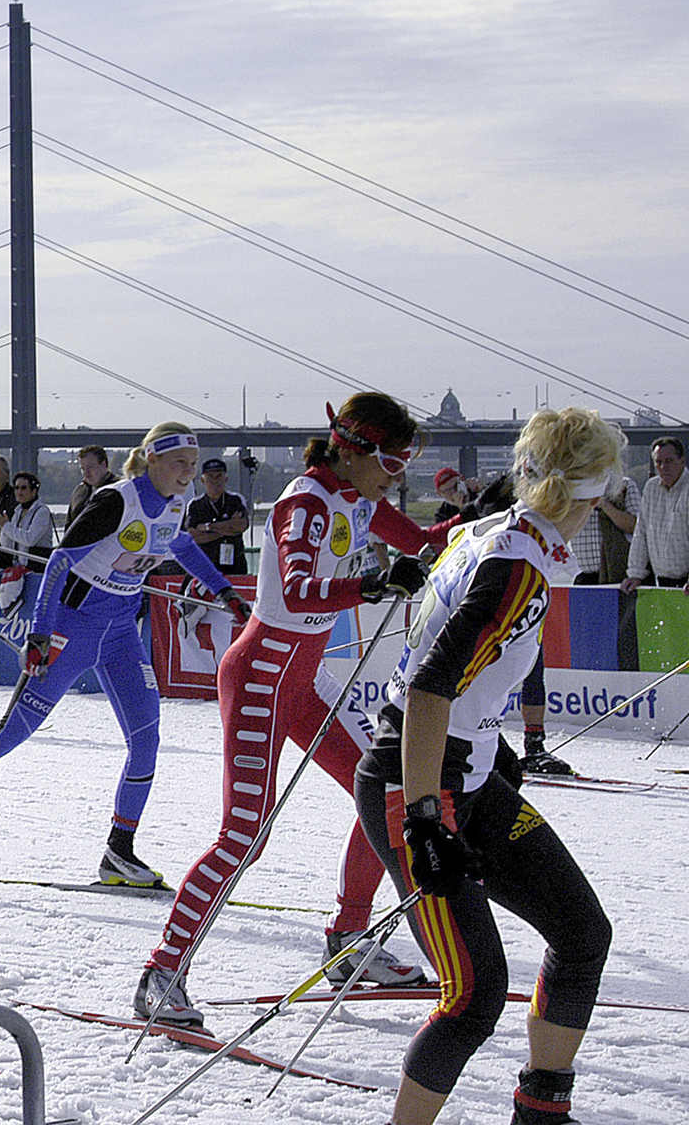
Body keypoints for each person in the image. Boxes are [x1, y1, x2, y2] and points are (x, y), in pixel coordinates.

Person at [138, 392, 446, 1028]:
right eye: (390, 457)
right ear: (354, 447)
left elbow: (423, 541)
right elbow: (299, 586)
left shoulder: (359, 500)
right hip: (262, 675)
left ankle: (349, 942)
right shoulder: (305, 501)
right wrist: (373, 583)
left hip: (303, 680)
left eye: (404, 458)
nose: (397, 471)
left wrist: (497, 518)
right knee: (245, 834)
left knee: (385, 791)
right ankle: (162, 974)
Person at [353, 407, 621, 1125]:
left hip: (463, 775)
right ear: (590, 495)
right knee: (473, 996)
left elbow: (458, 669)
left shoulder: (492, 532)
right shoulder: (519, 568)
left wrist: (487, 746)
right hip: (416, 780)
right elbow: (430, 686)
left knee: (582, 933)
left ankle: (541, 1112)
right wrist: (423, 820)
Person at [0, 427, 246, 881]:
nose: (189, 472)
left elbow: (180, 543)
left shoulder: (178, 501)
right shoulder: (117, 501)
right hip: (73, 627)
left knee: (146, 740)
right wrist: (40, 634)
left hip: (121, 632)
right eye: (180, 462)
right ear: (152, 459)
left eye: (193, 462)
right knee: (12, 735)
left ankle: (119, 852)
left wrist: (225, 592)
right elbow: (61, 561)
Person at [621, 436, 688, 595]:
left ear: (682, 461)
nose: (664, 467)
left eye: (669, 461)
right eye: (659, 462)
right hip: (661, 582)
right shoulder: (651, 488)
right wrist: (635, 573)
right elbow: (641, 532)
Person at [183, 456, 248, 577]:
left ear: (226, 478)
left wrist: (208, 527)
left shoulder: (236, 500)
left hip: (235, 566)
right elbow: (194, 536)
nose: (215, 481)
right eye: (210, 478)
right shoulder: (195, 505)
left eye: (219, 476)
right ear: (203, 480)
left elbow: (240, 526)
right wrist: (226, 528)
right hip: (205, 565)